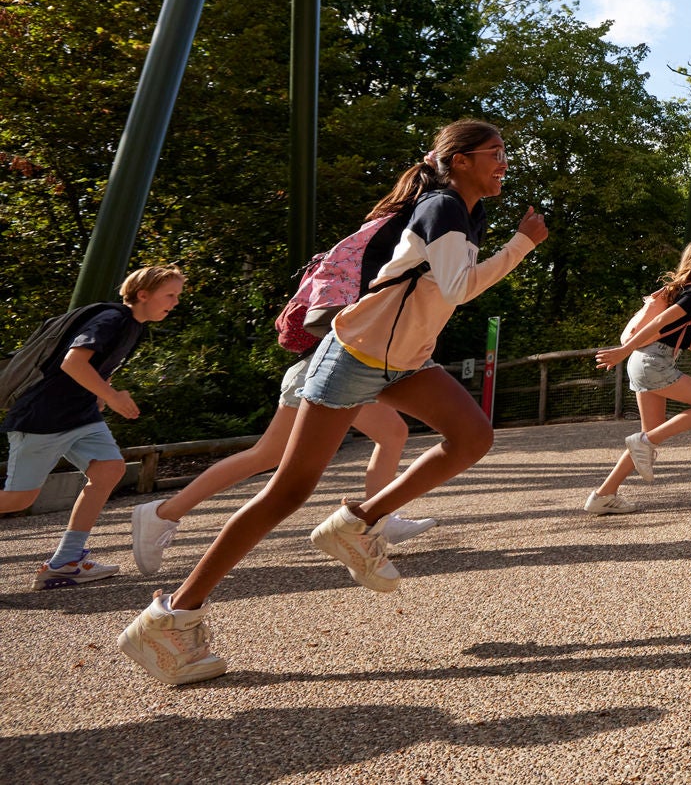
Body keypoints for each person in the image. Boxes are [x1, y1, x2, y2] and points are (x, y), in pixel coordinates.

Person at [119, 119, 547, 686]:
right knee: (286, 491)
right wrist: (524, 244)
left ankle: (358, 523)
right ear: (460, 159)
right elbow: (458, 288)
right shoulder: (442, 207)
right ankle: (170, 618)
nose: (505, 162)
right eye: (494, 152)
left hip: (403, 359)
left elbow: (438, 288)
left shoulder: (466, 213)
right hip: (355, 357)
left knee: (472, 437)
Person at [128, 364, 435, 578]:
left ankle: (379, 521)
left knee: (393, 433)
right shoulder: (364, 270)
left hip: (345, 366)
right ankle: (164, 512)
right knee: (268, 454)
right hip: (328, 367)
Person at [2, 266, 184, 590]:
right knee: (18, 499)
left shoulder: (134, 327)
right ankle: (66, 561)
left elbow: (103, 365)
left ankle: (66, 562)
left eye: (177, 295)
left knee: (109, 469)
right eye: (170, 294)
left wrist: (102, 396)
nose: (175, 301)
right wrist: (111, 397)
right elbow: (72, 361)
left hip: (80, 416)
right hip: (43, 418)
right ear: (143, 294)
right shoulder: (113, 319)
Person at [584, 240, 691, 514]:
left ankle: (603, 494)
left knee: (650, 436)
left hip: (644, 361)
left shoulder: (690, 294)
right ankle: (641, 445)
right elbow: (658, 323)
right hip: (652, 360)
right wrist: (623, 350)